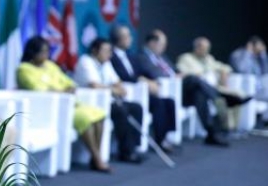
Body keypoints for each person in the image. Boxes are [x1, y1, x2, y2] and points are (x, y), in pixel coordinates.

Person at [16, 35, 111, 173]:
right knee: (85, 118)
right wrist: (62, 91)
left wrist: (69, 88)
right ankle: (97, 158)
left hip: (69, 103)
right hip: (48, 109)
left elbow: (68, 82)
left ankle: (95, 156)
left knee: (99, 115)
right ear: (33, 53)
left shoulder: (50, 65)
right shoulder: (24, 69)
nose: (46, 55)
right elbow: (38, 90)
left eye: (47, 52)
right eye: (42, 52)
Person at [134, 29, 230, 147]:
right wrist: (177, 76)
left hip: (177, 89)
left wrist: (180, 74)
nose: (164, 47)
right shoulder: (142, 57)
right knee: (193, 78)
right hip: (165, 89)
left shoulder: (161, 57)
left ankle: (211, 132)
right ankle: (217, 95)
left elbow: (174, 70)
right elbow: (157, 75)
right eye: (162, 44)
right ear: (152, 43)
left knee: (198, 94)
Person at [74, 38, 144, 163]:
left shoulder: (106, 64)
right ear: (95, 51)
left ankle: (134, 147)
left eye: (110, 51)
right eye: (106, 51)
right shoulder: (85, 61)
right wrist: (113, 90)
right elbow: (94, 85)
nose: (109, 54)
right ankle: (126, 152)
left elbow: (117, 82)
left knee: (136, 107)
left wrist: (117, 88)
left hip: (108, 100)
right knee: (121, 111)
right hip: (91, 102)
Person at [109, 24, 177, 152]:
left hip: (139, 91)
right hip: (128, 92)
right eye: (127, 36)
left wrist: (151, 81)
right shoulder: (111, 57)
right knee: (157, 104)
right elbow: (122, 76)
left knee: (168, 101)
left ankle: (164, 137)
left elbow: (140, 72)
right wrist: (141, 81)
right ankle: (156, 142)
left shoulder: (130, 56)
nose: (131, 39)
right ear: (119, 39)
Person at [177, 37, 250, 131]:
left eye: (207, 48)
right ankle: (225, 125)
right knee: (222, 98)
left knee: (237, 94)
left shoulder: (208, 58)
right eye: (203, 48)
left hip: (215, 88)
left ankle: (232, 127)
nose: (206, 51)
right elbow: (185, 75)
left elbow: (224, 67)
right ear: (197, 47)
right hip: (197, 90)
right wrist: (200, 74)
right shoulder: (186, 58)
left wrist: (224, 73)